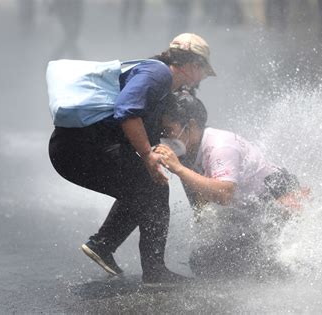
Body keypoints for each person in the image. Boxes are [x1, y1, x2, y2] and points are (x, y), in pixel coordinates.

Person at [48, 33, 215, 285]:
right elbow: (126, 110)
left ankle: (104, 245)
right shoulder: (158, 73)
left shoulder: (164, 92)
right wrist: (147, 155)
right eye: (203, 70)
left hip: (76, 149)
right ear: (193, 65)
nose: (202, 78)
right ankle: (154, 272)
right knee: (151, 188)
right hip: (77, 148)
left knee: (146, 185)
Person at [154, 91, 310, 278]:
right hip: (250, 210)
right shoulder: (187, 149)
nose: (164, 136)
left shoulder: (221, 147)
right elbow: (199, 199)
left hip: (276, 200)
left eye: (169, 130)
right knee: (202, 261)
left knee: (277, 264)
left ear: (192, 126)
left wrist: (178, 169)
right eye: (162, 131)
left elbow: (224, 194)